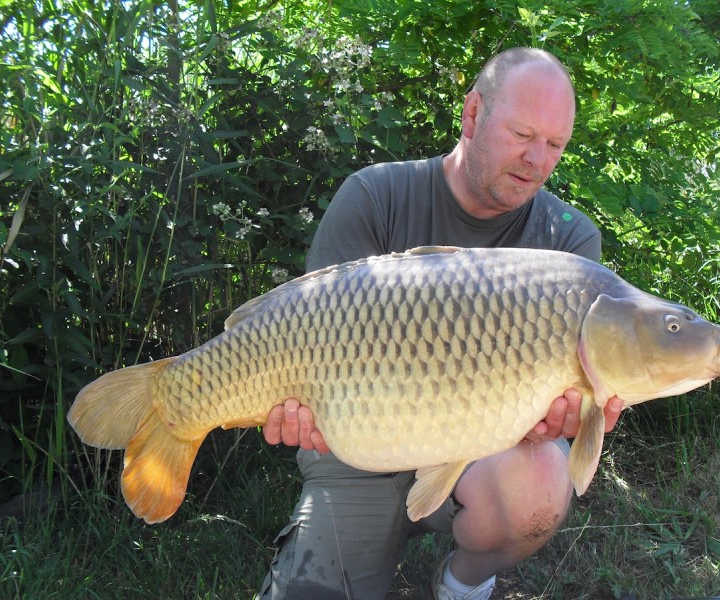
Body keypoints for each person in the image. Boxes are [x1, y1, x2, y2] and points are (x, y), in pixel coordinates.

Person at [259, 47, 624, 600]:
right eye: (523, 134)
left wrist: (562, 419)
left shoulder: (568, 242)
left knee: (540, 486)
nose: (538, 159)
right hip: (357, 449)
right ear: (473, 114)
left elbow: (562, 418)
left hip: (480, 451)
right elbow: (305, 343)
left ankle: (463, 583)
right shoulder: (375, 196)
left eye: (555, 144)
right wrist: (297, 410)